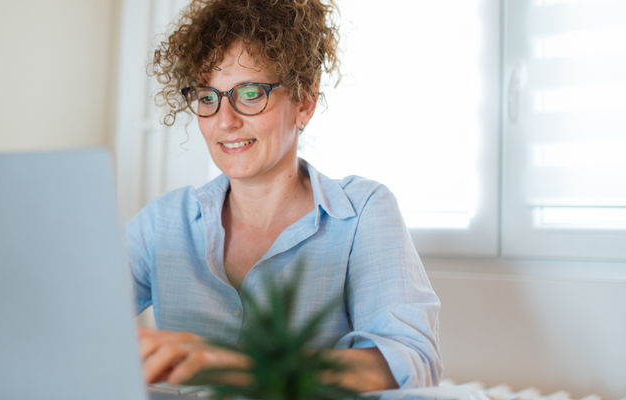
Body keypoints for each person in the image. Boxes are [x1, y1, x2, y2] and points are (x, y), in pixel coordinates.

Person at [125, 0, 442, 392]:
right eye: (208, 97)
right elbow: (68, 316)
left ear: (304, 102)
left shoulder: (361, 212)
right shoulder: (163, 221)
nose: (225, 121)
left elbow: (410, 361)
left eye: (251, 93)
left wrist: (237, 364)